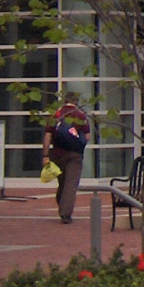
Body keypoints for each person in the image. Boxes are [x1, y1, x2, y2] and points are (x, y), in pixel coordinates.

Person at [48, 91, 93, 224]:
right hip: (75, 154)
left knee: (62, 182)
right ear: (76, 101)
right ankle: (65, 213)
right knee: (71, 183)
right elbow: (87, 136)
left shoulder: (56, 114)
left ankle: (62, 204)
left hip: (58, 154)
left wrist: (45, 154)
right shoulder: (81, 116)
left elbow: (47, 135)